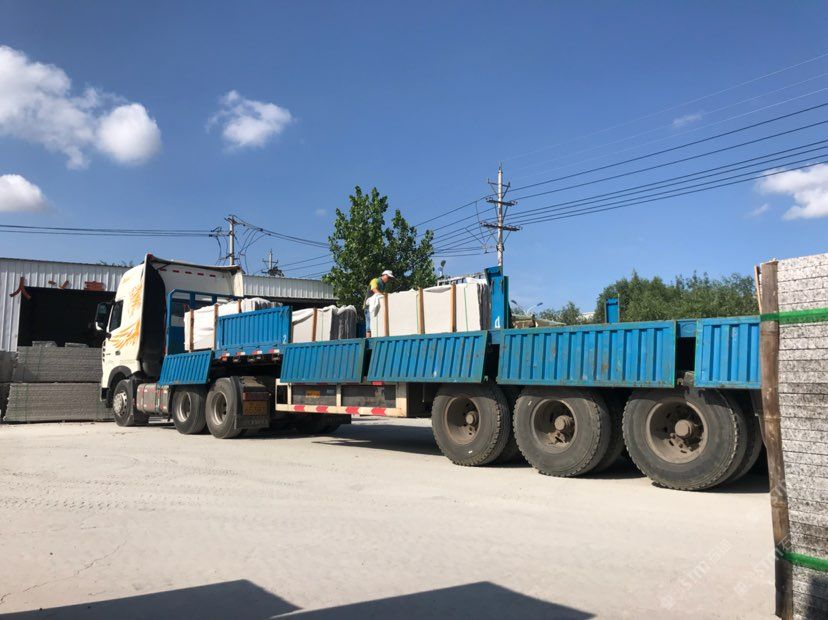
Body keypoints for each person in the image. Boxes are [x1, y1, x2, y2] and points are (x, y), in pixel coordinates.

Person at [364, 270, 395, 337]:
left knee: (376, 324)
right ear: (384, 275)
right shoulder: (375, 280)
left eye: (390, 278)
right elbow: (374, 289)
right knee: (369, 325)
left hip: (376, 306)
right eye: (388, 277)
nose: (389, 279)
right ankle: (368, 340)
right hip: (368, 306)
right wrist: (383, 296)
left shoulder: (383, 284)